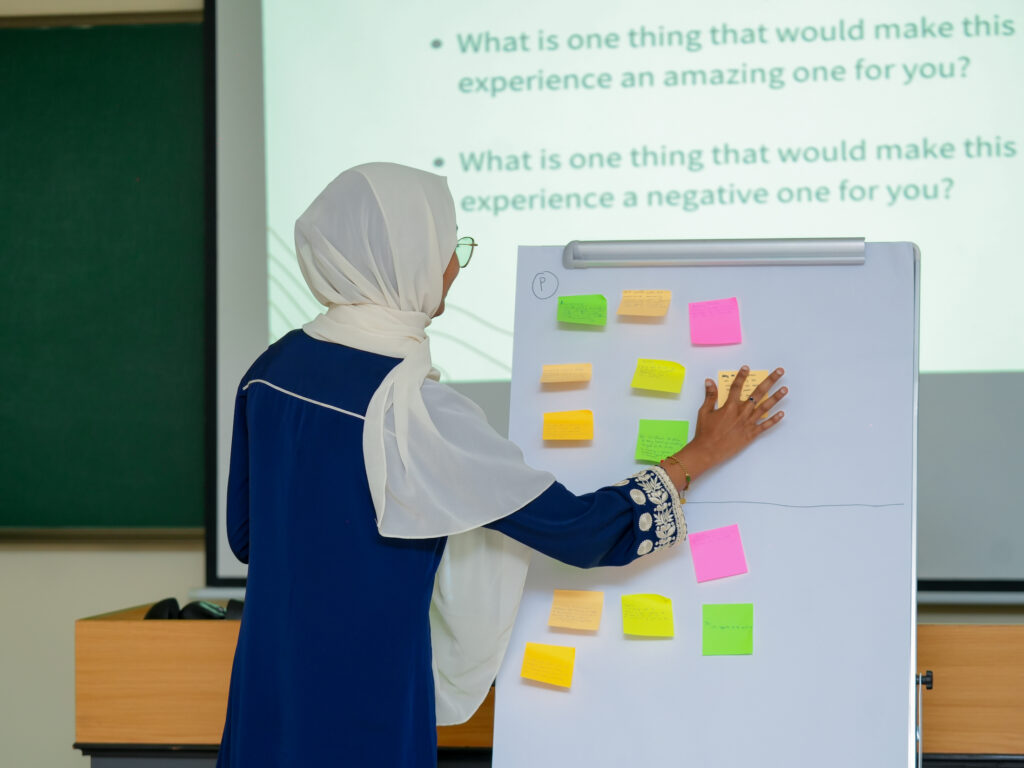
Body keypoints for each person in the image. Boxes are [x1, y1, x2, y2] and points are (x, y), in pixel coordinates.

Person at [215, 163, 787, 767]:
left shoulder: (271, 369)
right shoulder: (415, 411)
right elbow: (583, 532)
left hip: (267, 695)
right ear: (403, 257)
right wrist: (699, 455)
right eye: (447, 247)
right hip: (363, 705)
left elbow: (246, 535)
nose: (455, 266)